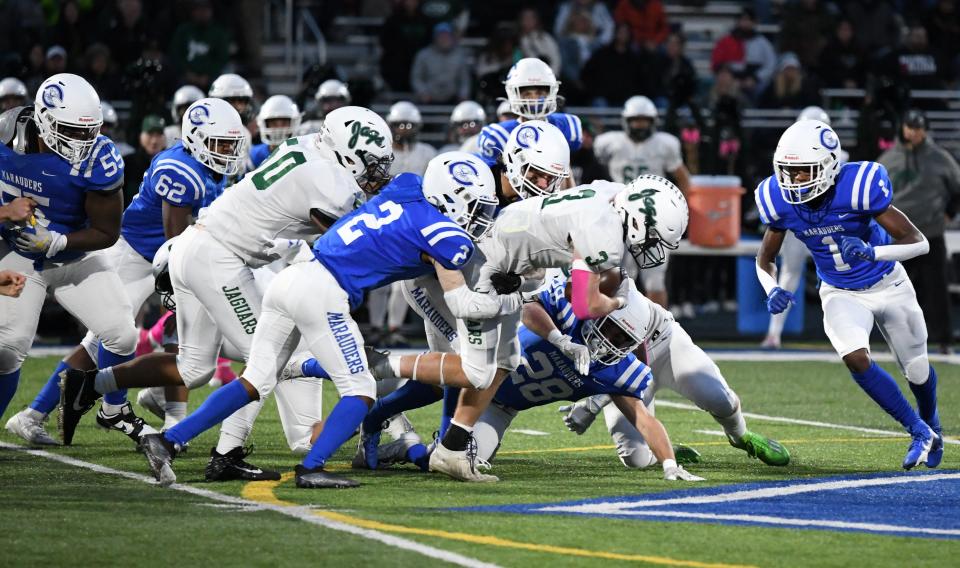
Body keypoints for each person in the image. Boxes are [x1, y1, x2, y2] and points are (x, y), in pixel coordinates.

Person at [136, 151, 519, 488]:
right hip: (323, 292)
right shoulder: (444, 233)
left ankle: (167, 441)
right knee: (361, 389)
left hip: (293, 276)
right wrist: (510, 299)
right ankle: (312, 467)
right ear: (451, 199)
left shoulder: (407, 187)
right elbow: (465, 306)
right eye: (476, 207)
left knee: (256, 379)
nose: (480, 218)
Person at [60, 106, 394, 481]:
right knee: (262, 362)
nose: (374, 172)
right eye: (370, 162)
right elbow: (343, 242)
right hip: (221, 257)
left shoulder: (310, 148)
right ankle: (224, 454)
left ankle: (94, 382)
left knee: (194, 368)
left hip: (198, 246)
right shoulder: (329, 180)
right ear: (345, 150)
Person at [8, 99, 237, 448]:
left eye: (230, 143)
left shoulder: (210, 168)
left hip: (171, 258)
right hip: (137, 255)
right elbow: (175, 236)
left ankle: (174, 415)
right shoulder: (180, 168)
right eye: (219, 143)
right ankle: (33, 414)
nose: (226, 151)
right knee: (103, 341)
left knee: (179, 331)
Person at [360, 281, 707, 482]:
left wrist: (668, 463)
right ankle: (376, 397)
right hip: (486, 370)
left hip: (501, 406)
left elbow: (645, 419)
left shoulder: (620, 370)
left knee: (454, 461)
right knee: (434, 383)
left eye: (622, 339)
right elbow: (530, 307)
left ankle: (405, 444)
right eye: (612, 328)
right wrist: (559, 339)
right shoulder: (571, 318)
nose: (612, 341)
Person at [755, 119, 943, 470]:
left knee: (917, 370)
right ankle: (916, 429)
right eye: (787, 172)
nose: (792, 181)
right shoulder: (778, 200)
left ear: (827, 166)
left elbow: (919, 242)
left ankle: (931, 421)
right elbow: (764, 258)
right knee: (855, 356)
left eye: (802, 172)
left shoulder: (859, 187)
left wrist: (874, 252)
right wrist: (773, 287)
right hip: (840, 291)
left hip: (889, 283)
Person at [0, 74, 137, 433]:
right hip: (20, 253)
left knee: (122, 335)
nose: (83, 140)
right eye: (71, 130)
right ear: (43, 119)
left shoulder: (100, 157)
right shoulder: (3, 137)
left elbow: (107, 232)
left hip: (76, 255)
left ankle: (112, 408)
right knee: (7, 349)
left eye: (89, 130)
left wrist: (59, 241)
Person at [593, 95, 691, 309]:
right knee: (616, 278)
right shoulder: (610, 143)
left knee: (655, 281)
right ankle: (615, 329)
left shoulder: (665, 144)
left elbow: (683, 178)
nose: (640, 125)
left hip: (653, 219)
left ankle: (659, 330)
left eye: (644, 120)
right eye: (636, 120)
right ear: (626, 121)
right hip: (617, 218)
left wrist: (679, 212)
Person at [879, 109, 960, 354]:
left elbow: (957, 189)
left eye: (918, 128)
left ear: (925, 130)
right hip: (898, 237)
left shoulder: (940, 158)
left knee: (936, 289)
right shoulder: (887, 160)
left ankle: (944, 340)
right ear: (903, 128)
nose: (914, 132)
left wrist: (949, 213)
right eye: (910, 127)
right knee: (895, 290)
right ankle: (897, 339)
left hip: (930, 233)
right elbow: (874, 197)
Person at [368, 101, 437, 346]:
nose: (405, 130)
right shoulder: (381, 151)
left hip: (412, 223)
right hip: (383, 221)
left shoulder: (426, 152)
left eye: (409, 125)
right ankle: (376, 326)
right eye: (400, 125)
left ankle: (394, 327)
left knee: (402, 283)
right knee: (379, 281)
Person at [477, 57, 582, 175]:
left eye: (539, 93)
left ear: (552, 92)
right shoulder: (497, 135)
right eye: (527, 94)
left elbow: (569, 175)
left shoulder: (567, 126)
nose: (534, 100)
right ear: (513, 94)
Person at [711, 8, 777, 98]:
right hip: (731, 80)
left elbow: (770, 65)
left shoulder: (762, 42)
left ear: (754, 22)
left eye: (749, 20)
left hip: (755, 81)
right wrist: (731, 79)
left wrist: (755, 78)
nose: (745, 23)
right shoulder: (727, 40)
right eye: (743, 20)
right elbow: (718, 63)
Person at [169, 0, 230, 90]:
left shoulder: (219, 33)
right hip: (186, 76)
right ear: (193, 12)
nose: (202, 13)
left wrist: (207, 76)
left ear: (211, 12)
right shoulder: (183, 31)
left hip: (210, 77)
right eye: (199, 10)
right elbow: (175, 55)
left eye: (205, 10)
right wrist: (187, 73)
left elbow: (222, 59)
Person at [410, 22, 471, 105]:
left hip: (453, 99)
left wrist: (463, 95)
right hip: (428, 99)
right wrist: (423, 92)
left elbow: (465, 80)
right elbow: (416, 78)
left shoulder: (459, 55)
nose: (444, 39)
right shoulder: (423, 55)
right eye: (441, 36)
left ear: (452, 37)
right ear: (435, 38)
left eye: (447, 36)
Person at [122, 114, 168, 208]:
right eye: (150, 134)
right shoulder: (127, 163)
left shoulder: (172, 165)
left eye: (158, 135)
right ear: (141, 136)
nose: (154, 141)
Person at [250, 95, 300, 169]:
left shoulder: (302, 152)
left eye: (284, 123)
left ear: (294, 123)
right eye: (273, 123)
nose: (279, 128)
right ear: (263, 123)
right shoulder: (254, 154)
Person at [517, 8, 561, 76]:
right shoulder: (517, 40)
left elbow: (556, 59)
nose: (528, 20)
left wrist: (551, 76)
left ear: (536, 20)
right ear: (520, 21)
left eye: (531, 18)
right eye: (525, 18)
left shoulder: (546, 38)